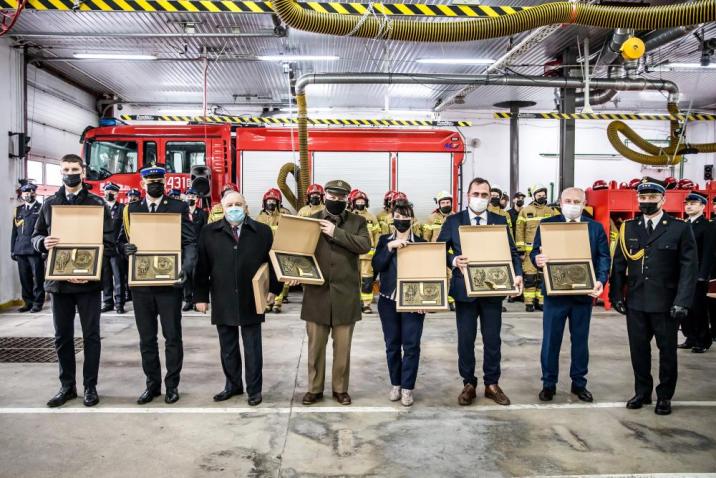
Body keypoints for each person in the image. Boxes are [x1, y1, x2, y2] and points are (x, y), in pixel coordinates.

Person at [32, 154, 115, 407]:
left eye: (74, 169)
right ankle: (67, 386)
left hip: (88, 284)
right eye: (66, 169)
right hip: (59, 283)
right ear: (60, 171)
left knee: (91, 336)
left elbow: (109, 244)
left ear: (83, 170)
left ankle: (90, 387)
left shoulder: (97, 204)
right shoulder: (49, 205)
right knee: (62, 337)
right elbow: (36, 236)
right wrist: (42, 243)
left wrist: (88, 270)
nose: (70, 173)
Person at [609, 177, 698, 415]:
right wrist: (616, 293)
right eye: (643, 197)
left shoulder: (679, 228)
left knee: (667, 351)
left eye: (651, 197)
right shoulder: (629, 227)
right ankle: (642, 392)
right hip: (636, 302)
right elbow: (619, 264)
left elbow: (689, 268)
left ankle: (665, 396)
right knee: (638, 350)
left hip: (666, 303)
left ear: (662, 199)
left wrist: (682, 301)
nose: (646, 201)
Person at [437, 177, 523, 407]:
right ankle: (469, 384)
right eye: (476, 194)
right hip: (465, 290)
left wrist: (518, 274)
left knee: (492, 339)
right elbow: (440, 249)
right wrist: (454, 260)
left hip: (493, 289)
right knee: (466, 339)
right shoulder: (454, 221)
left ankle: (492, 384)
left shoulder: (499, 220)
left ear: (490, 197)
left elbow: (512, 252)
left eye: (485, 195)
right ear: (467, 195)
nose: (480, 198)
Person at [194, 191, 283, 406]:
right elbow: (201, 267)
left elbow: (272, 262)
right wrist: (200, 297)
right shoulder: (209, 233)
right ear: (222, 209)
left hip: (252, 298)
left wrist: (274, 288)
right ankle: (232, 385)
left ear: (246, 207)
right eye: (229, 205)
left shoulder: (262, 232)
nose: (234, 208)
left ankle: (254, 390)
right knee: (228, 347)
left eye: (238, 204)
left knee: (253, 348)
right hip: (222, 297)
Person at [119, 164, 198, 405]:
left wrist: (186, 267)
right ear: (142, 184)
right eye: (150, 181)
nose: (155, 184)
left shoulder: (178, 207)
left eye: (159, 181)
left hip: (169, 284)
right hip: (141, 285)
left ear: (165, 184)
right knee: (147, 339)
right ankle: (151, 385)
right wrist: (125, 250)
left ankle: (172, 385)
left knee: (172, 337)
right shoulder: (131, 210)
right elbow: (119, 243)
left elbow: (190, 242)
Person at [531, 187, 611, 402]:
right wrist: (536, 261)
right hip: (555, 294)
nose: (572, 204)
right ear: (560, 201)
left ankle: (579, 383)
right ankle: (549, 383)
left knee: (580, 341)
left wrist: (601, 280)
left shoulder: (594, 228)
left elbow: (604, 256)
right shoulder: (547, 225)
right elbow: (534, 251)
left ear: (584, 204)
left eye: (577, 201)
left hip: (582, 295)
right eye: (568, 200)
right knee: (551, 340)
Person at [298, 180, 371, 406]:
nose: (336, 200)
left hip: (345, 295)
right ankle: (314, 388)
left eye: (341, 198)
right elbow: (298, 250)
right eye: (332, 196)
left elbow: (364, 246)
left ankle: (340, 389)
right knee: (315, 347)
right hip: (316, 293)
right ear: (325, 195)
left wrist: (336, 232)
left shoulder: (357, 221)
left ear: (347, 199)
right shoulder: (311, 220)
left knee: (343, 348)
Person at [372, 199, 426, 406]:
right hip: (388, 300)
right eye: (398, 217)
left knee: (411, 346)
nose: (401, 220)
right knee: (392, 345)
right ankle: (396, 383)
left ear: (412, 219)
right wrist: (390, 247)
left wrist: (426, 301)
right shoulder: (384, 240)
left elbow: (428, 273)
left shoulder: (421, 243)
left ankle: (408, 388)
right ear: (392, 219)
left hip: (414, 301)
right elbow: (377, 264)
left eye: (405, 217)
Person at [678, 192, 713, 353]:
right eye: (687, 203)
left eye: (693, 203)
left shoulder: (707, 226)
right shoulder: (685, 224)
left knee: (698, 308)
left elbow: (708, 252)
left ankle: (703, 340)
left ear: (702, 206)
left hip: (697, 274)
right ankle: (690, 337)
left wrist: (703, 274)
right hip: (683, 274)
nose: (689, 206)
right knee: (685, 307)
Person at [516, 184, 557, 312]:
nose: (542, 197)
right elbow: (519, 230)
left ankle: (541, 301)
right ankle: (529, 303)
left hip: (544, 251)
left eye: (543, 195)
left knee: (542, 278)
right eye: (539, 195)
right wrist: (521, 250)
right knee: (530, 278)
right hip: (528, 253)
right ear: (534, 196)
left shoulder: (551, 211)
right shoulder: (525, 211)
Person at [256, 188, 292, 313]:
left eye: (273, 201)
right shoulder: (259, 217)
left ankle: (277, 303)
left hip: (279, 249)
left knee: (280, 276)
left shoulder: (284, 216)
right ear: (264, 202)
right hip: (265, 251)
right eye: (269, 200)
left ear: (278, 202)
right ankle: (267, 302)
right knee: (267, 277)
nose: (271, 203)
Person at [11, 182, 45, 313]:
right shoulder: (18, 210)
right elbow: (14, 231)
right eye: (25, 192)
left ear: (34, 193)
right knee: (24, 278)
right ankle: (28, 302)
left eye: (30, 192)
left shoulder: (41, 208)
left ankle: (38, 302)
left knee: (38, 278)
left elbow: (45, 230)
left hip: (35, 249)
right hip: (20, 249)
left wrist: (44, 250)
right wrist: (12, 249)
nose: (27, 195)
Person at [422, 190, 456, 311]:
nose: (446, 204)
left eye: (448, 202)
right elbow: (426, 237)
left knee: (451, 276)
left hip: (450, 253)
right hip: (434, 252)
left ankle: (450, 301)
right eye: (443, 202)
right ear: (439, 204)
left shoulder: (455, 217)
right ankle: (434, 301)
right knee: (435, 276)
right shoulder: (431, 218)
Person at [349, 190, 381, 314]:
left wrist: (376, 249)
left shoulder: (371, 217)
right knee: (351, 280)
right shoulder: (348, 216)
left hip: (367, 255)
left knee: (367, 280)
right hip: (351, 254)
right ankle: (353, 304)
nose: (360, 203)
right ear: (353, 202)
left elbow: (376, 234)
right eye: (358, 201)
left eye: (362, 201)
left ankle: (366, 304)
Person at [101, 182, 126, 314]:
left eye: (112, 192)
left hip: (116, 248)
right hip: (104, 248)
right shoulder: (100, 208)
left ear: (117, 194)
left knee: (118, 277)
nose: (109, 194)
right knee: (105, 277)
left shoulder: (123, 208)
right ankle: (107, 302)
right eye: (107, 191)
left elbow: (126, 228)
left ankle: (119, 303)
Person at [182, 187, 208, 312]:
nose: (190, 198)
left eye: (193, 196)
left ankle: (197, 300)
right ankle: (188, 300)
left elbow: (205, 231)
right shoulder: (182, 213)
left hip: (198, 248)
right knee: (186, 272)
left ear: (197, 199)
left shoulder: (202, 213)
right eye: (189, 196)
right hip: (185, 248)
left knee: (197, 274)